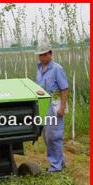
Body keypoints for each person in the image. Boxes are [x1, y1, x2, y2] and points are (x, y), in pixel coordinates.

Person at [35, 42, 69, 173]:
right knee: (45, 134)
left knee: (54, 135)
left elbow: (64, 89)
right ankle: (60, 161)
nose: (42, 57)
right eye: (40, 55)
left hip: (55, 103)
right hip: (43, 104)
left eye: (44, 54)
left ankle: (56, 166)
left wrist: (62, 108)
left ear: (50, 54)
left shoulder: (56, 69)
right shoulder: (39, 68)